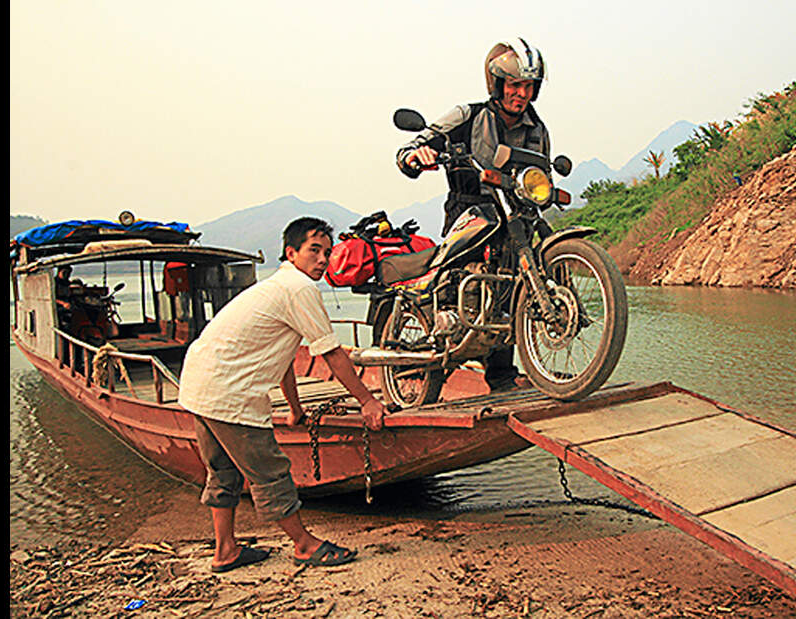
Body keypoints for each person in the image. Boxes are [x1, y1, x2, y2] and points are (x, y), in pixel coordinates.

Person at [178, 216, 388, 573]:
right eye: (313, 251)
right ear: (291, 253)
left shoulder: (279, 286)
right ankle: (304, 545)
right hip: (229, 391)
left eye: (327, 252)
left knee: (223, 471)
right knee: (270, 472)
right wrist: (367, 401)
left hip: (198, 383)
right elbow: (331, 353)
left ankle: (225, 550)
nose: (322, 259)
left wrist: (295, 408)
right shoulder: (299, 288)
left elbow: (284, 358)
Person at [395, 37, 548, 393]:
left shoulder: (537, 130)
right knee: (462, 287)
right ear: (497, 84)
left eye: (528, 86)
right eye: (514, 85)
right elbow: (415, 146)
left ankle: (501, 377)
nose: (521, 94)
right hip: (470, 214)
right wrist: (417, 156)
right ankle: (442, 341)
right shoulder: (468, 115)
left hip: (514, 220)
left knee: (510, 293)